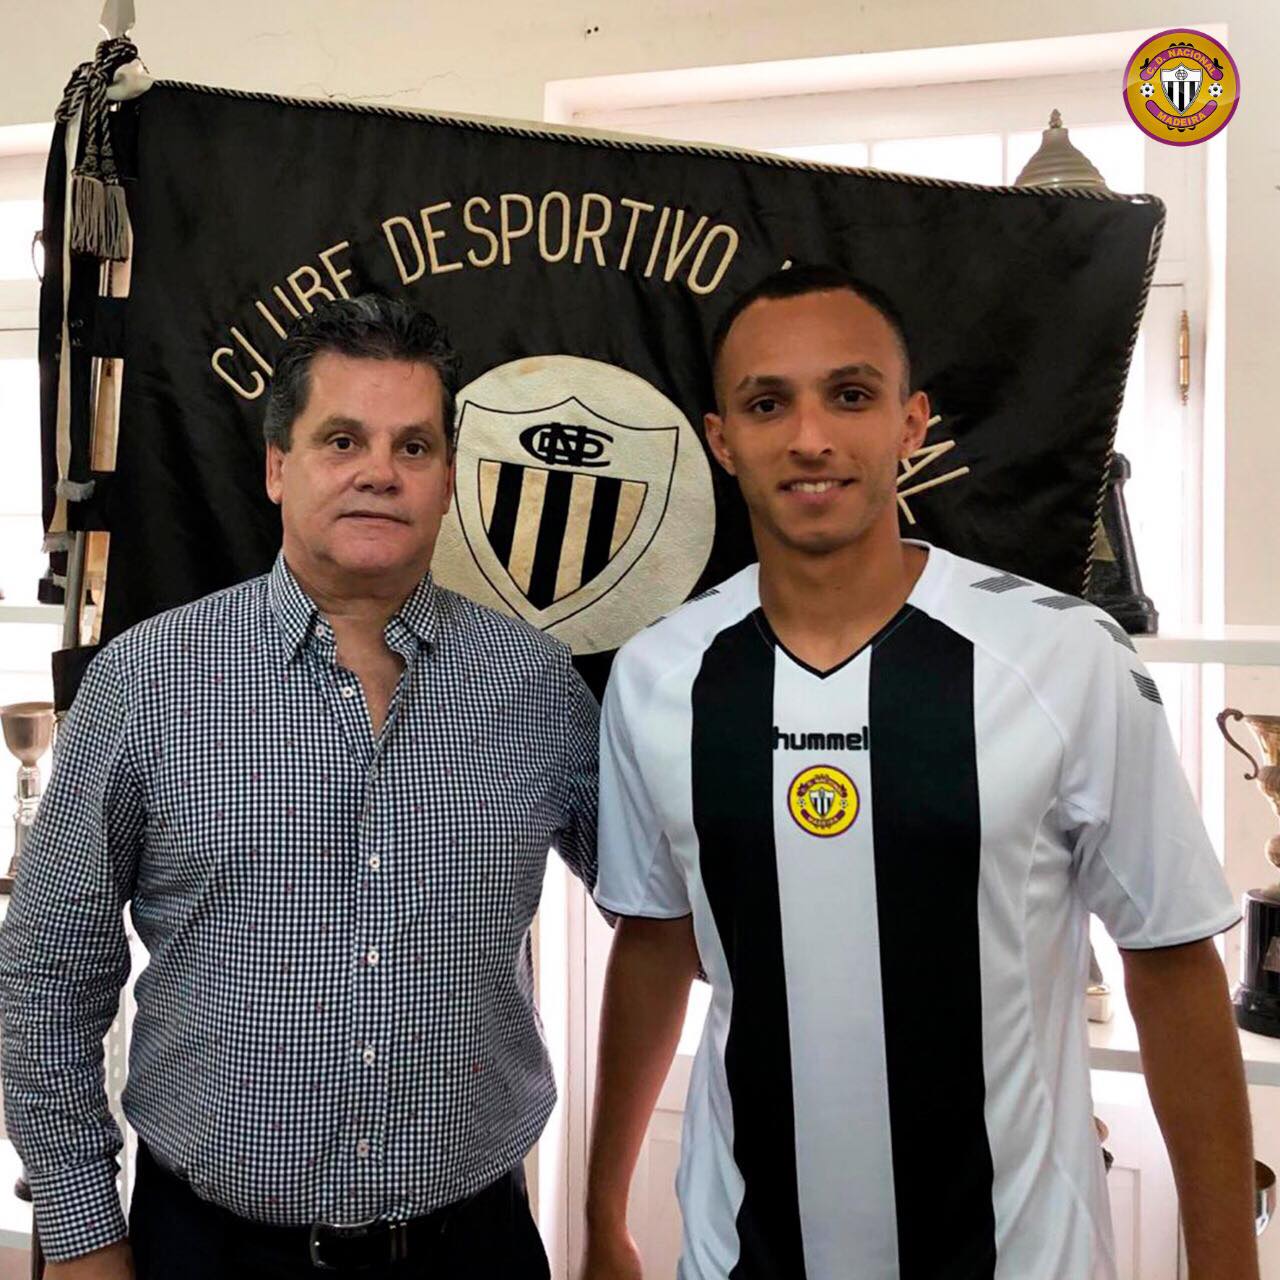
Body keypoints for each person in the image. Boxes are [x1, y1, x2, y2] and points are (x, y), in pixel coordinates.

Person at [581, 264, 1258, 1280]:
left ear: (911, 422)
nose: (810, 436)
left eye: (849, 395)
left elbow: (1168, 962)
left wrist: (1225, 1263)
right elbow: (652, 940)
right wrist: (603, 1218)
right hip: (740, 1258)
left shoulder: (1064, 657)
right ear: (721, 439)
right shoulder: (657, 676)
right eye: (768, 404)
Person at [0, 295, 598, 1279]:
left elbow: (666, 903)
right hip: (211, 1250)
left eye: (413, 446)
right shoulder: (148, 682)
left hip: (474, 1247)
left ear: (448, 480)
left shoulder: (535, 686)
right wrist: (80, 1234)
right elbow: (48, 972)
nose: (379, 471)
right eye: (342, 439)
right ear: (279, 465)